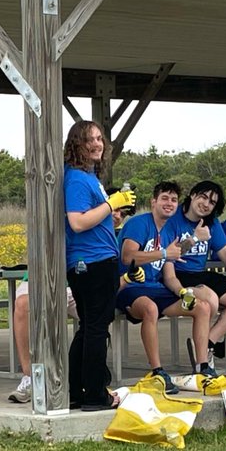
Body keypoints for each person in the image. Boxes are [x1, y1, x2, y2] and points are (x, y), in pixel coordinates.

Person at [10, 187, 127, 403]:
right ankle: (30, 376)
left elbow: (111, 285)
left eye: (123, 212)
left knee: (96, 322)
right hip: (55, 279)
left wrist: (127, 280)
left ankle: (87, 380)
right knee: (24, 303)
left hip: (79, 286)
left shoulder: (113, 237)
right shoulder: (74, 217)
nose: (117, 215)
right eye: (114, 208)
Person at [117, 181, 214, 394]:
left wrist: (182, 292)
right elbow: (128, 256)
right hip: (129, 285)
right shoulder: (139, 224)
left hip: (157, 287)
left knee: (203, 307)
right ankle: (158, 371)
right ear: (153, 202)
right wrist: (163, 253)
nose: (169, 203)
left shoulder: (170, 232)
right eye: (164, 198)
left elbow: (169, 275)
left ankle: (203, 367)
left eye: (173, 200)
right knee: (150, 308)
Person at [64, 122, 135, 410]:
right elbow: (77, 222)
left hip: (96, 259)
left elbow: (90, 218)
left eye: (98, 138)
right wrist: (111, 204)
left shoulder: (90, 177)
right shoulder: (79, 179)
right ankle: (95, 394)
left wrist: (110, 218)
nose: (96, 144)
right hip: (92, 262)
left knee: (88, 327)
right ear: (75, 145)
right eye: (88, 140)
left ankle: (76, 391)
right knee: (96, 328)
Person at [158, 179, 226, 370]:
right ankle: (202, 360)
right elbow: (170, 255)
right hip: (177, 275)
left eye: (212, 202)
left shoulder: (211, 223)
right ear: (192, 195)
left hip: (200, 273)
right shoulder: (173, 218)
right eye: (203, 197)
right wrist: (195, 238)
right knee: (211, 300)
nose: (206, 204)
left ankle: (207, 344)